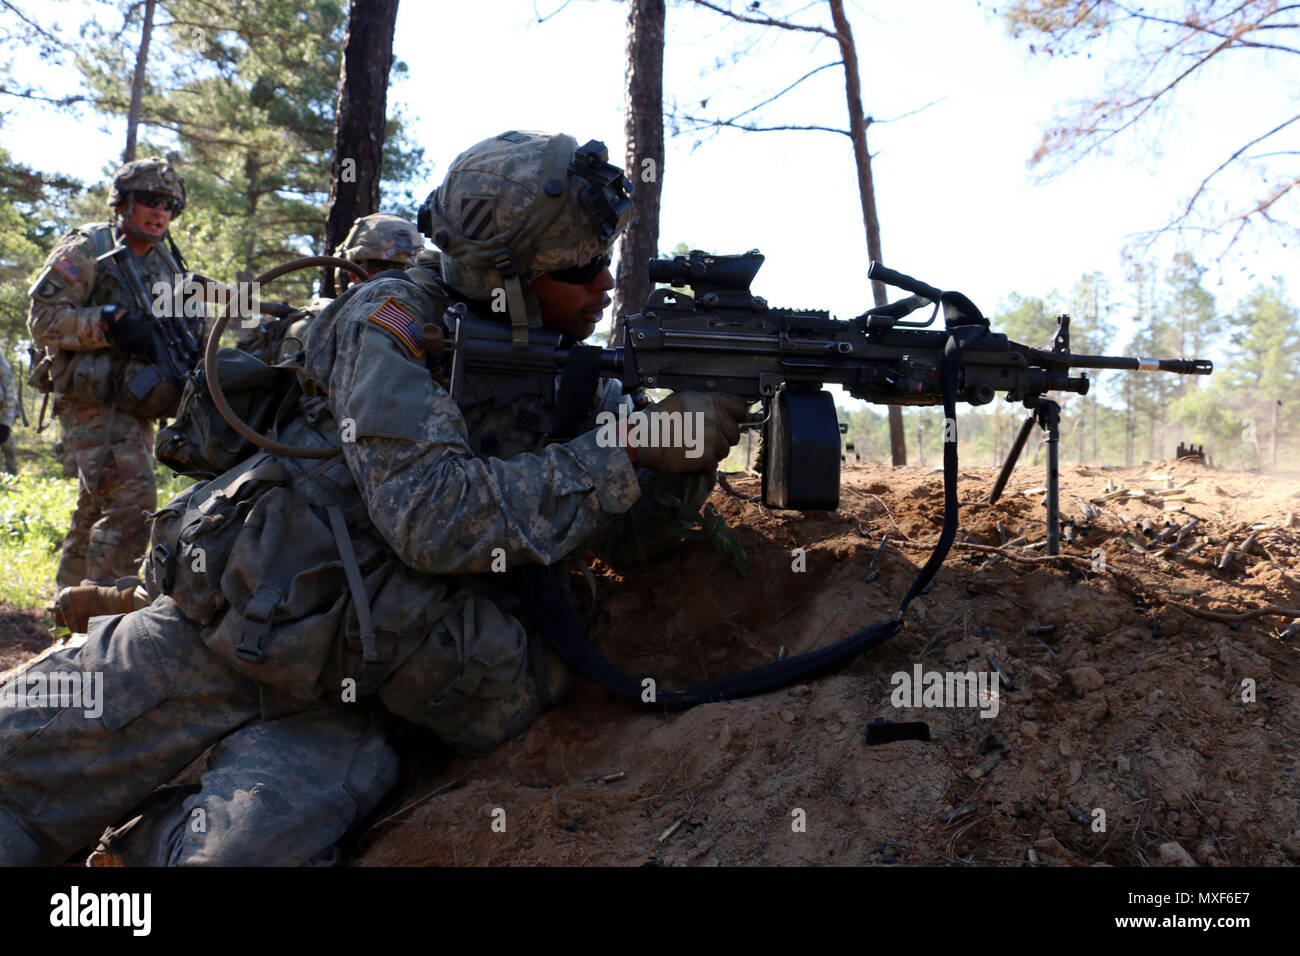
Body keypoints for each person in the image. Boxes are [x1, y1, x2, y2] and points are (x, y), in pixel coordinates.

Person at [0, 131, 746, 866]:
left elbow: (623, 540)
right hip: (215, 636)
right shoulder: (389, 320)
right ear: (505, 275)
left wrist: (682, 459)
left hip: (357, 702)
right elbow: (435, 518)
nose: (604, 287)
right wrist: (624, 449)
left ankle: (140, 845)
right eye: (582, 268)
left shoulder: (579, 375)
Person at [26, 158, 200, 588]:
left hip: (135, 403)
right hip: (89, 399)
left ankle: (70, 609)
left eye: (169, 205)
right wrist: (108, 323)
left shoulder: (165, 264)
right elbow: (43, 320)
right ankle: (104, 620)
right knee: (133, 503)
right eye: (149, 201)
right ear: (123, 204)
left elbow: (187, 325)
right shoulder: (87, 249)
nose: (160, 212)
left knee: (96, 506)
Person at [0, 354, 17, 475]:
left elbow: (9, 384)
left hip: (2, 412)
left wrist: (6, 422)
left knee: (7, 444)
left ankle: (12, 476)